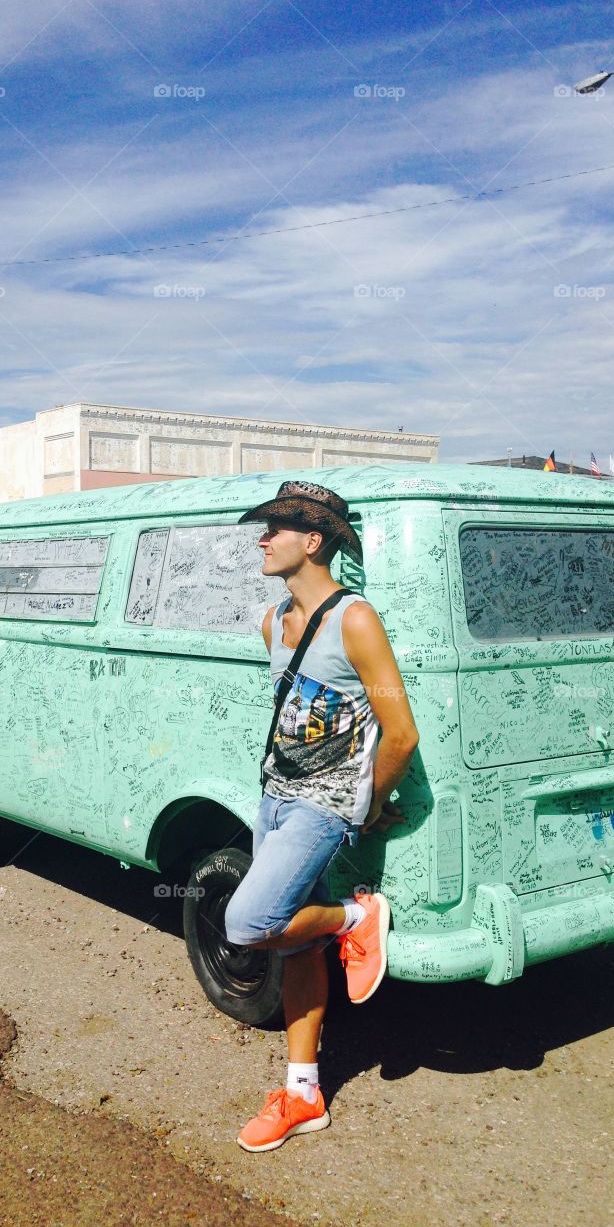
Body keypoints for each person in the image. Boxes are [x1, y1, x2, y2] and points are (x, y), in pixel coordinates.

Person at [225, 480, 419, 1153]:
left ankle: (358, 918)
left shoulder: (354, 620)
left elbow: (400, 733)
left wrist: (366, 806)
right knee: (299, 947)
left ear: (313, 541)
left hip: (322, 805)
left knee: (248, 922)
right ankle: (303, 1092)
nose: (262, 538)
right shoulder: (273, 621)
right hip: (274, 795)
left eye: (274, 528)